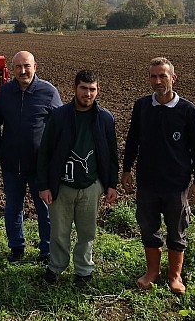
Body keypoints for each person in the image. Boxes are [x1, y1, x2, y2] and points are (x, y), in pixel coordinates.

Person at [121, 57, 195, 295]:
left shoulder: (187, 110)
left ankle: (174, 276)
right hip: (147, 182)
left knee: (177, 230)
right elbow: (132, 140)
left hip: (176, 184)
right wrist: (126, 169)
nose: (158, 81)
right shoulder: (142, 106)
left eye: (163, 76)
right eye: (153, 76)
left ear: (173, 78)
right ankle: (152, 272)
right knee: (148, 228)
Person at [37, 70, 119, 289]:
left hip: (91, 186)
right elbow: (45, 152)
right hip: (62, 185)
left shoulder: (105, 118)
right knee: (59, 231)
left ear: (98, 90)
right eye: (83, 88)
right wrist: (44, 185)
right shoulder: (59, 116)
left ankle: (83, 270)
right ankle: (56, 267)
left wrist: (111, 184)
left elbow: (112, 154)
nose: (88, 93)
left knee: (87, 231)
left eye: (92, 89)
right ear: (74, 88)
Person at [0, 50, 62, 263]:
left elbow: (60, 127)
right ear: (12, 69)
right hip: (11, 164)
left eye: (27, 66)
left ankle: (47, 249)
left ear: (35, 67)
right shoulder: (5, 92)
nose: (23, 71)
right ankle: (16, 247)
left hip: (39, 166)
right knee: (13, 209)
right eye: (18, 67)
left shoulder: (48, 92)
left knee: (45, 209)